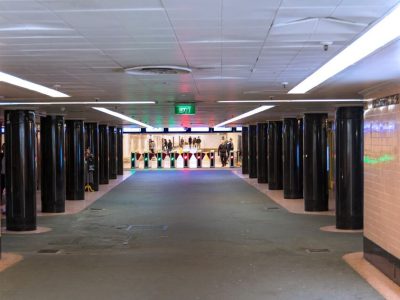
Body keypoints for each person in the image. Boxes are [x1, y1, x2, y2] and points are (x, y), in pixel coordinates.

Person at [0, 143, 5, 214]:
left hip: (8, 175)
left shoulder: (11, 156)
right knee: (1, 188)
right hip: (2, 174)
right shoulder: (1, 156)